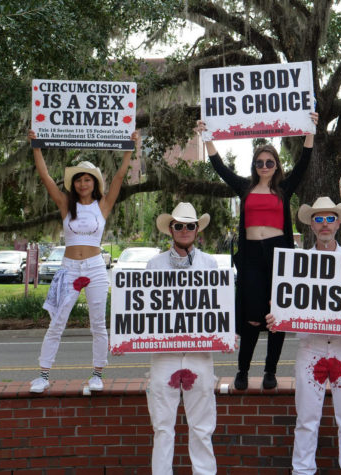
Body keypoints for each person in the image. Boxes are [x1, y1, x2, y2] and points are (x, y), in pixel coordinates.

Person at [195, 112, 318, 390]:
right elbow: (219, 167)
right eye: (260, 162)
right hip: (250, 255)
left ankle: (270, 371)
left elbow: (305, 161)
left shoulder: (284, 188)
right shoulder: (245, 187)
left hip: (278, 254)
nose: (264, 166)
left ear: (276, 165)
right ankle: (242, 370)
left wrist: (310, 128)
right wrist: (207, 136)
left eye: (270, 162)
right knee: (252, 316)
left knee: (277, 315)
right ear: (255, 165)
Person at [28, 130, 137, 393]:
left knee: (98, 324)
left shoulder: (103, 205)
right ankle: (43, 375)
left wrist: (131, 148)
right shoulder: (66, 204)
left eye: (87, 179)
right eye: (79, 180)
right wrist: (36, 147)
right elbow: (45, 177)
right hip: (69, 269)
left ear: (94, 183)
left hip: (96, 268)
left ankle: (97, 374)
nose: (83, 184)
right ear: (74, 184)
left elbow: (121, 176)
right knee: (57, 322)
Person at [266, 196, 341, 475]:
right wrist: (277, 318)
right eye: (319, 219)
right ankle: (302, 471)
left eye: (329, 218)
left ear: (338, 224)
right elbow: (284, 305)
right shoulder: (297, 264)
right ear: (311, 225)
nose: (324, 224)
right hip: (310, 348)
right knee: (307, 419)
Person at [145, 202, 222, 475]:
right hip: (164, 356)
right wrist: (127, 338)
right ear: (171, 229)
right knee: (163, 427)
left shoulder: (210, 263)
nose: (185, 230)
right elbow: (142, 311)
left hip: (199, 355)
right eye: (179, 225)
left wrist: (227, 334)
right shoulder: (153, 265)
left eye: (190, 225)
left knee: (201, 427)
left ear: (197, 229)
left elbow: (219, 307)